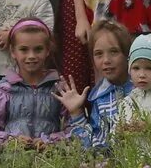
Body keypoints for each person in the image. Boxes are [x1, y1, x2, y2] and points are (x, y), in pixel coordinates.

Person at [0, 19, 70, 149]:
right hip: (12, 164)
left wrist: (50, 142)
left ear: (48, 50)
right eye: (24, 49)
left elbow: (74, 130)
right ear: (13, 52)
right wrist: (11, 141)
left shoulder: (59, 90)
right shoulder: (4, 91)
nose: (31, 56)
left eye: (38, 49)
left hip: (50, 163)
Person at [58, 18, 135, 151]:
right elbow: (91, 146)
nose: (106, 60)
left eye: (114, 52)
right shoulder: (99, 98)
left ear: (127, 54)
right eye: (98, 54)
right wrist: (76, 112)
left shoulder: (144, 87)